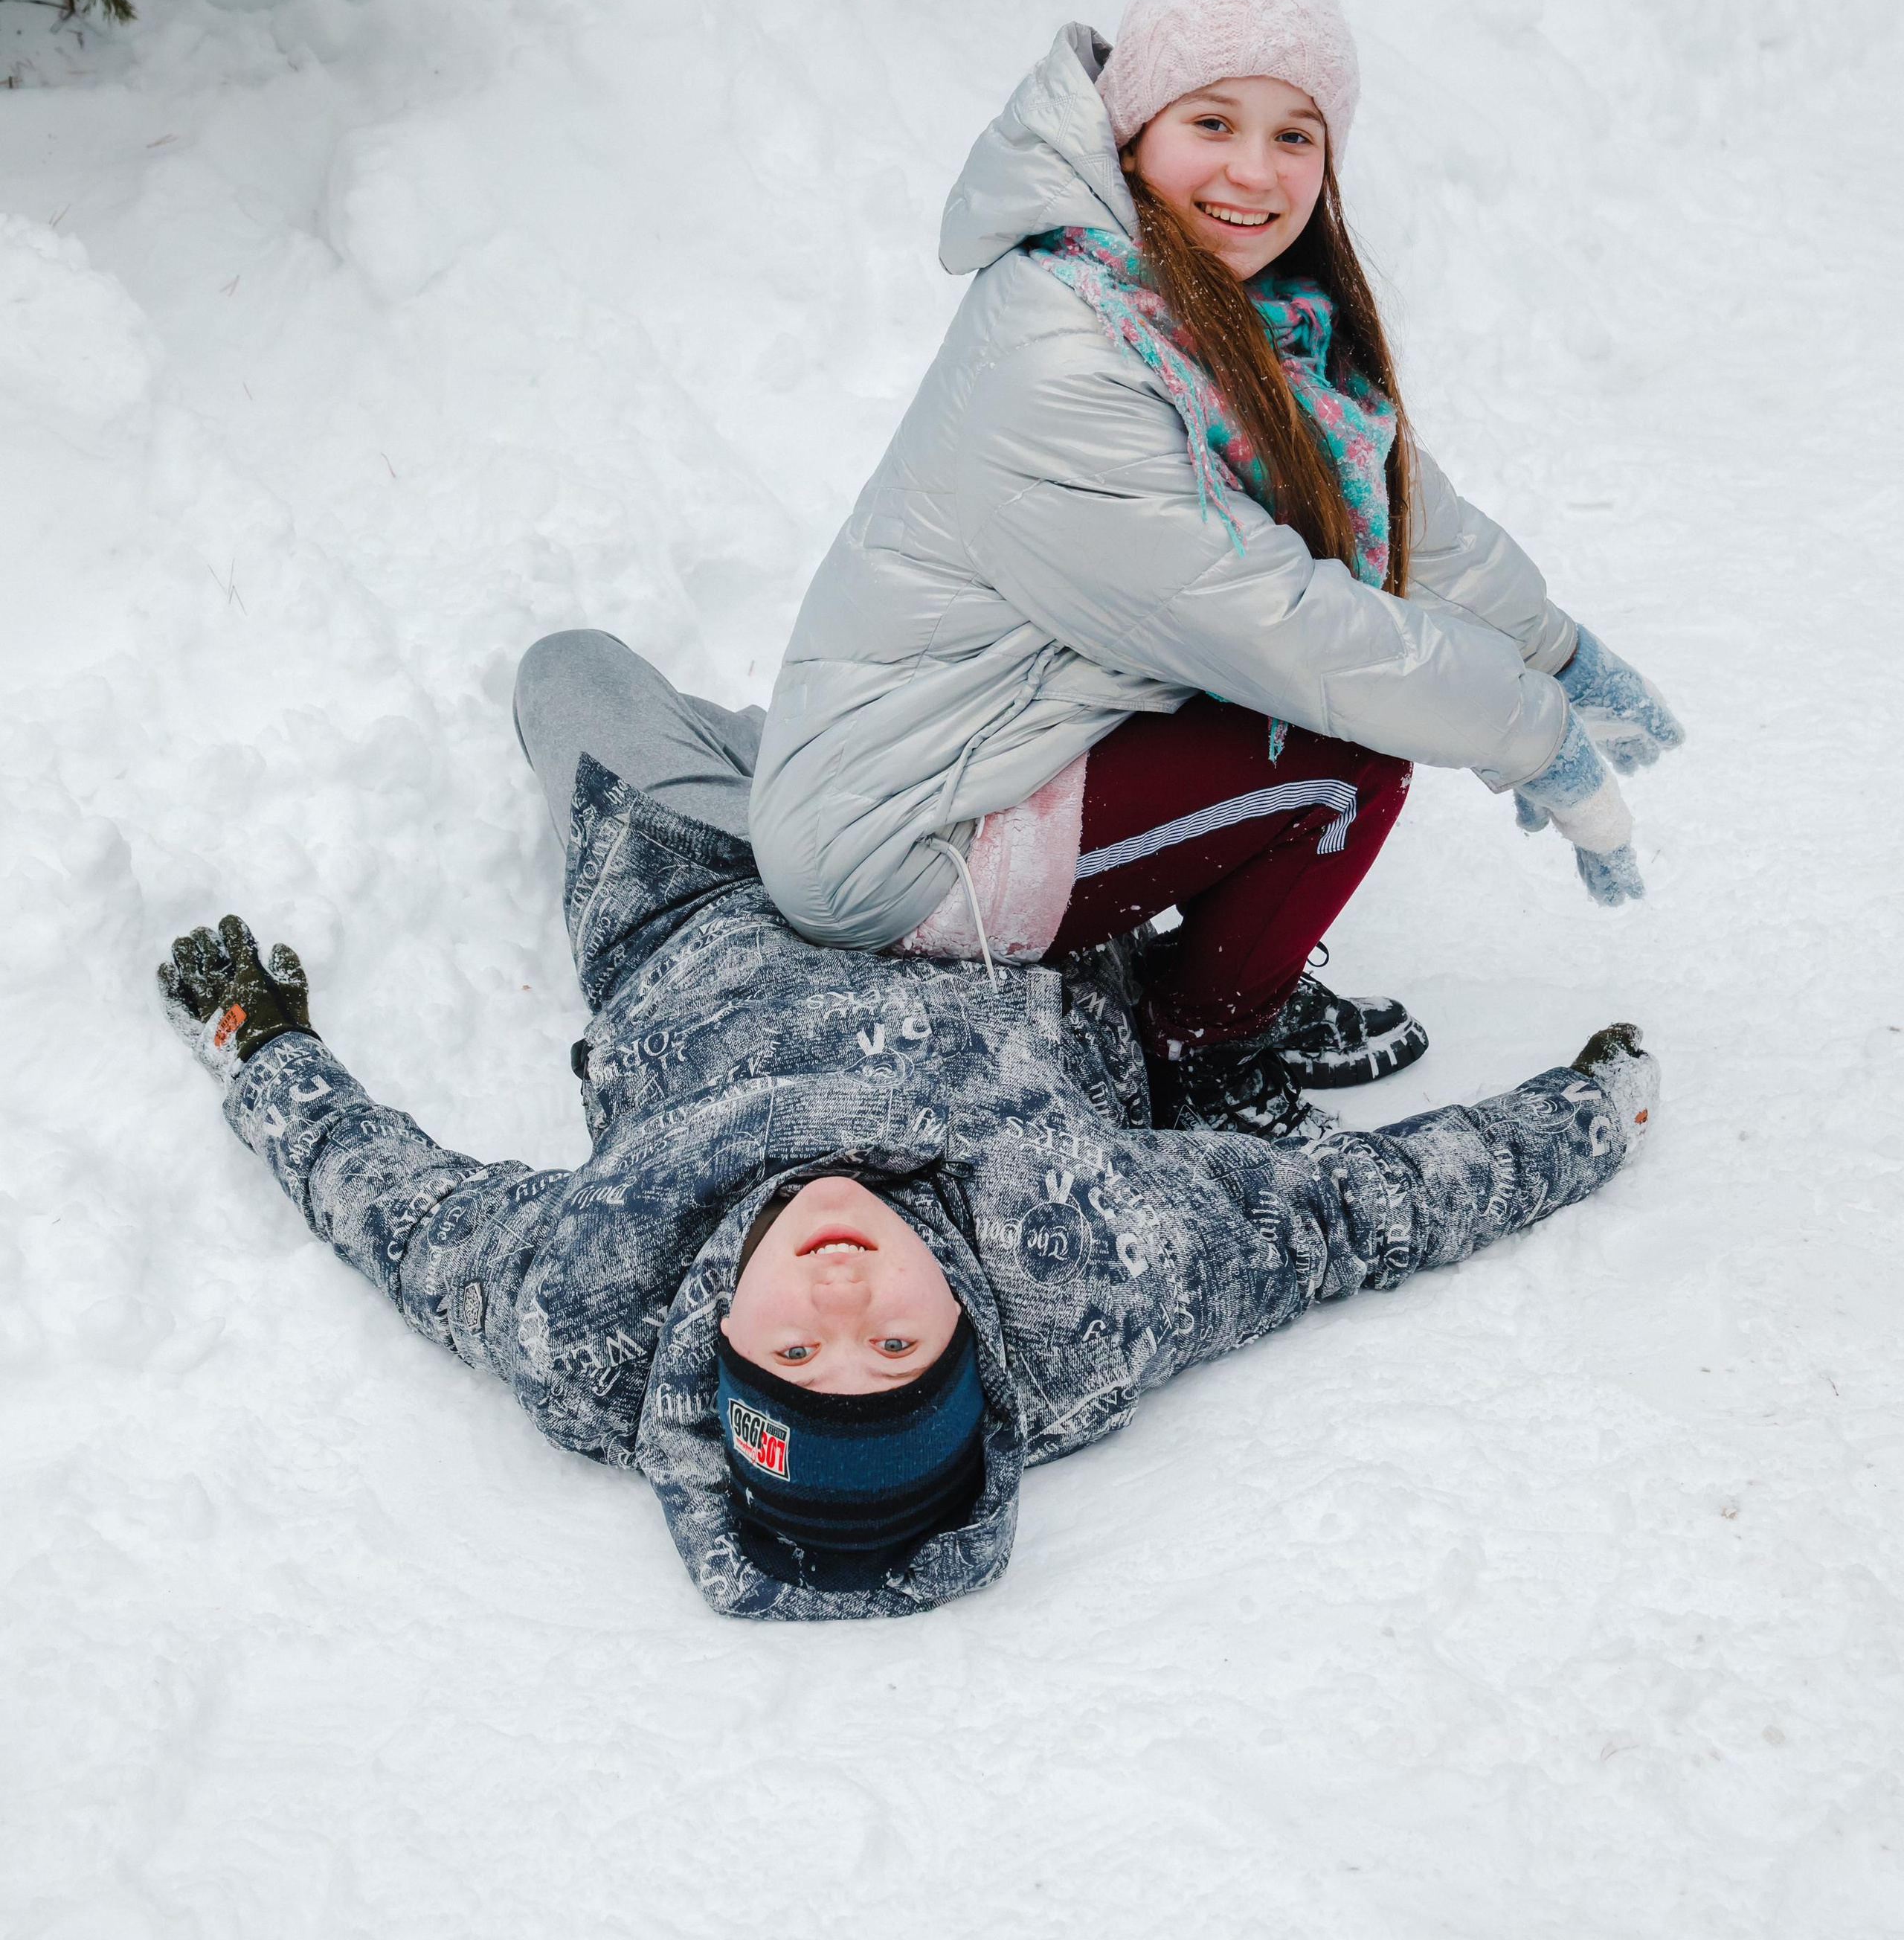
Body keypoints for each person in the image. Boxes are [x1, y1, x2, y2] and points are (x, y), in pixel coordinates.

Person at [157, 634, 1660, 1624]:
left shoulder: (590, 1313)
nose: (838, 1299)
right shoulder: (1085, 1283)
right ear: (963, 1343)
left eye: (796, 1354)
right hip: (977, 885)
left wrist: (263, 1049)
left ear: (716, 1350)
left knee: (567, 673)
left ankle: (782, 738)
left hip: (693, 886)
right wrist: (1583, 1117)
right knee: (1117, 648)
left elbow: (401, 1214)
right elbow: (1354, 1217)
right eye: (894, 1349)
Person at [748, 0, 1685, 1140]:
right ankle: (1200, 1045)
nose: (1256, 172)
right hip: (902, 840)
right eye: (1212, 121)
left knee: (1312, 702)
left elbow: (1396, 519)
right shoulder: (1067, 344)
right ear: (1134, 128)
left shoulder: (1207, 304)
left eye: (1294, 133)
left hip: (981, 749)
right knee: (1346, 752)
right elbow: (1279, 628)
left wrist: (1563, 653)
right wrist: (1530, 732)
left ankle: (1209, 987)